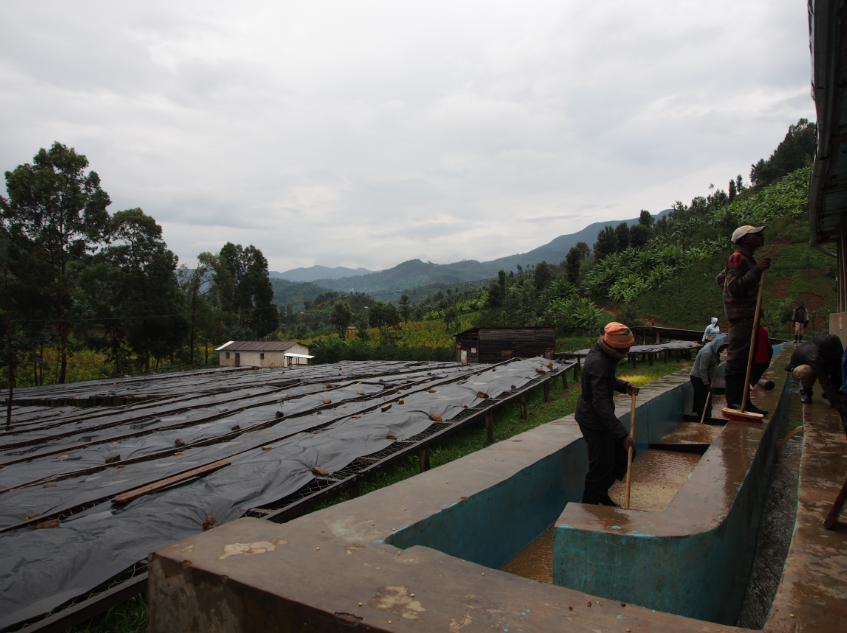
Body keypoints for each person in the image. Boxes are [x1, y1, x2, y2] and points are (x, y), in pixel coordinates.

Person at [575, 322, 639, 507]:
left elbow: (606, 381)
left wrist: (623, 385)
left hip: (599, 417)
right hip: (594, 420)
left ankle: (601, 494)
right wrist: (622, 435)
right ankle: (589, 508)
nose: (626, 353)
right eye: (625, 349)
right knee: (600, 468)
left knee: (621, 455)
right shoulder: (599, 362)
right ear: (615, 347)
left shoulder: (603, 355)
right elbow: (600, 403)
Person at [716, 225, 771, 415]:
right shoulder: (737, 258)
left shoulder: (746, 259)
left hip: (749, 319)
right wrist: (757, 270)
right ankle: (734, 403)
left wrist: (754, 268)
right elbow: (734, 287)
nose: (760, 235)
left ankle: (744, 402)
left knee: (747, 362)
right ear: (745, 239)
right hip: (741, 319)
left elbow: (721, 279)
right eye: (756, 234)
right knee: (737, 362)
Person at [785, 334, 846, 411]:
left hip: (822, 364)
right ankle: (806, 391)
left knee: (837, 366)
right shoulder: (813, 356)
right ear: (820, 350)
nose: (834, 356)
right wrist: (837, 405)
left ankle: (831, 392)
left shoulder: (836, 343)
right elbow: (824, 381)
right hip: (799, 370)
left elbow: (841, 367)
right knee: (807, 370)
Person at [690, 333, 728, 418]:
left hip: (705, 376)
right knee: (703, 399)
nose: (723, 349)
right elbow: (702, 370)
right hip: (698, 377)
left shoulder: (715, 350)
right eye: (722, 347)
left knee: (706, 398)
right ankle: (704, 416)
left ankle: (705, 415)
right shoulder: (707, 352)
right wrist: (706, 384)